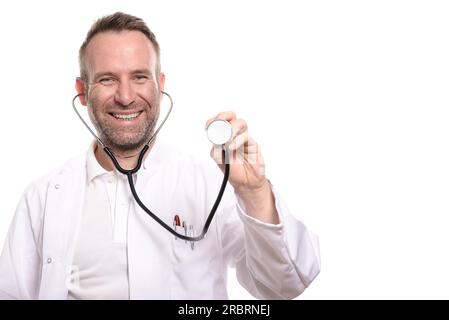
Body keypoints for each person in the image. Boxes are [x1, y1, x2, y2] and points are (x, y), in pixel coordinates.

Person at [0, 12, 320, 300]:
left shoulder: (209, 186)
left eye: (139, 77)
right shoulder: (43, 197)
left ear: (159, 84)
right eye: (107, 79)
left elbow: (285, 287)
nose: (126, 97)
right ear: (82, 91)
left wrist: (254, 193)